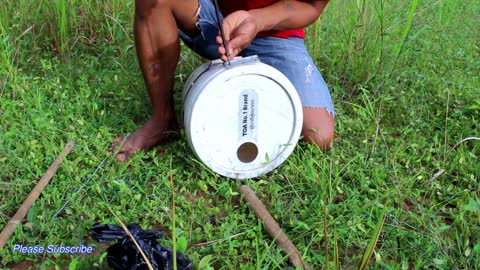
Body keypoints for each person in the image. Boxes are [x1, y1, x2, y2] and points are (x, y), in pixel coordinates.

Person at [110, 0, 335, 162]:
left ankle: (259, 85)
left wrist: (256, 20)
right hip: (218, 20)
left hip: (278, 38)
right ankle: (163, 119)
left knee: (318, 134)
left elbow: (312, 5)